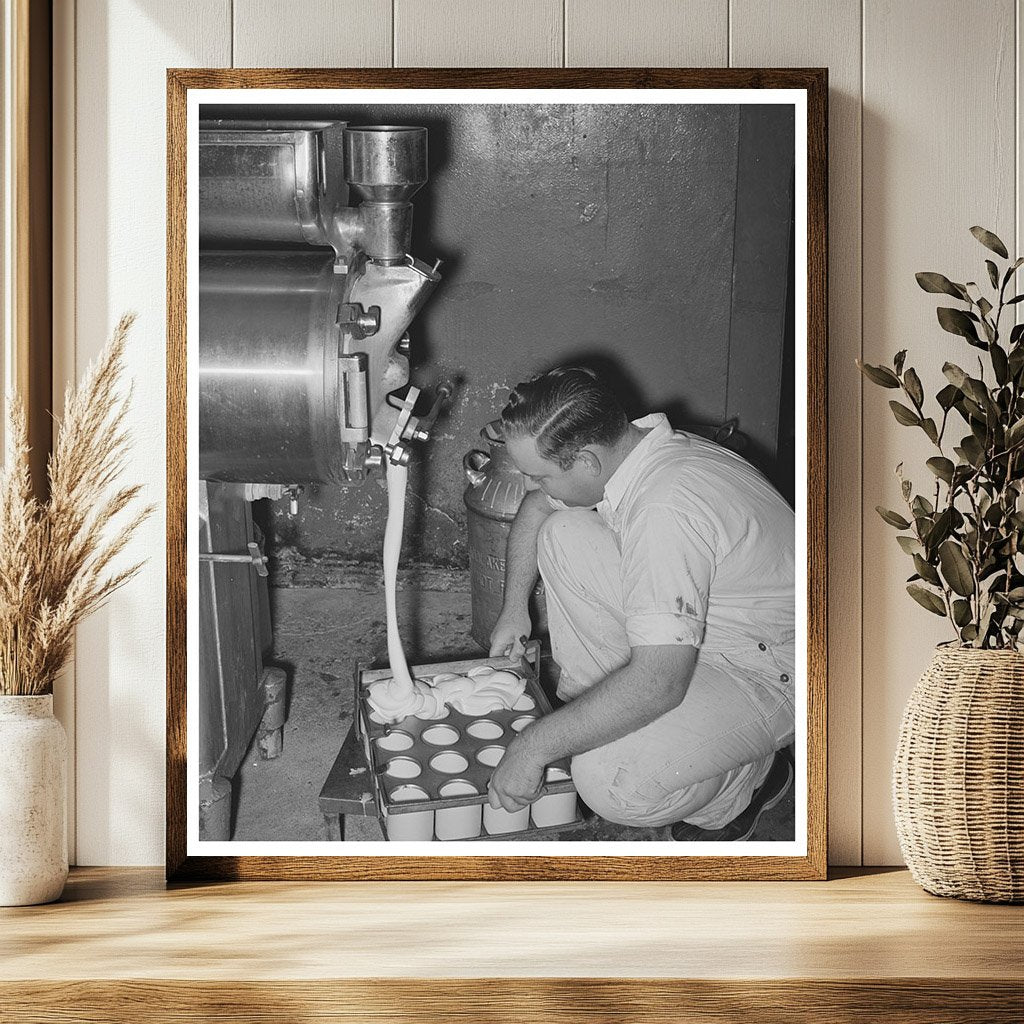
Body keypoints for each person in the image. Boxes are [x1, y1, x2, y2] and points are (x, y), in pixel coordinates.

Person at [486, 366, 795, 841]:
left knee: (610, 785)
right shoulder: (642, 449)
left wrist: (532, 748)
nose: (535, 486)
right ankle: (605, 722)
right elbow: (537, 508)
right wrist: (514, 611)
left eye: (539, 475)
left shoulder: (663, 509)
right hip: (717, 622)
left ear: (587, 461)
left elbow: (660, 684)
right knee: (562, 532)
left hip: (773, 667)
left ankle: (745, 786)